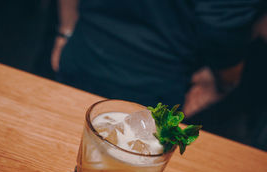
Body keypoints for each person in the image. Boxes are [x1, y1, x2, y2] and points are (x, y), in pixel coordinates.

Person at [51, 0, 262, 110]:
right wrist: (225, 82)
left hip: (83, 52)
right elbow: (222, 27)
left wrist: (66, 29)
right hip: (152, 85)